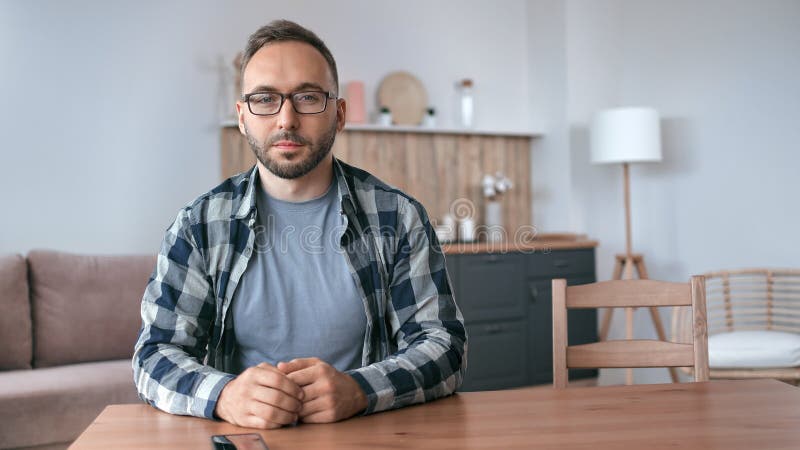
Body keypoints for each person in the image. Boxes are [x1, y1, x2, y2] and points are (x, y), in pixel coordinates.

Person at [132, 19, 466, 429]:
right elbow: (154, 354)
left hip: (366, 437)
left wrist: (361, 390)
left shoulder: (398, 218)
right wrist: (224, 395)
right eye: (265, 99)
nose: (286, 119)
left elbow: (443, 347)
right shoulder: (199, 225)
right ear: (242, 116)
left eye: (308, 98)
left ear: (339, 114)